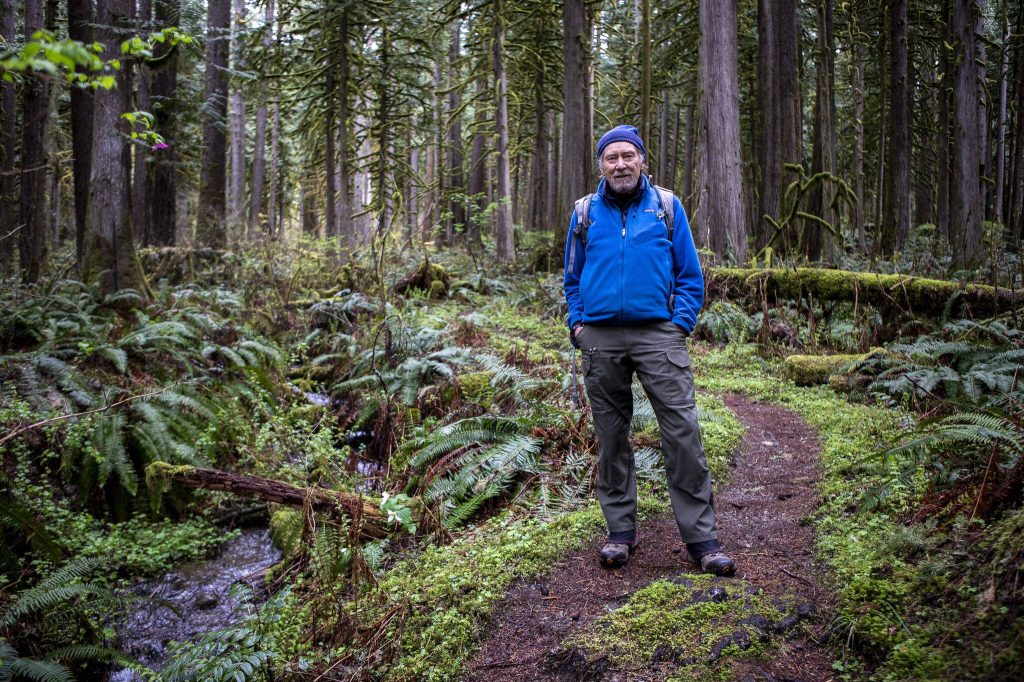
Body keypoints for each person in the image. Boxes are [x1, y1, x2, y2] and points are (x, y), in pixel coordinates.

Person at [563, 124, 735, 577]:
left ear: (642, 160)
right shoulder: (584, 214)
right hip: (600, 338)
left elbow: (690, 275)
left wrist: (678, 326)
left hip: (658, 335)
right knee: (612, 438)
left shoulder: (666, 207)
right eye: (611, 157)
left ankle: (703, 540)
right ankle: (620, 534)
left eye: (627, 156)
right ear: (600, 164)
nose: (620, 164)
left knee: (682, 433)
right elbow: (572, 279)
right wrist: (579, 326)